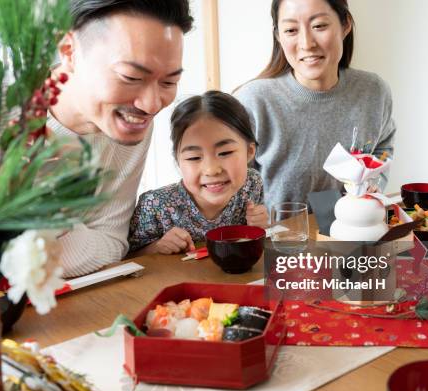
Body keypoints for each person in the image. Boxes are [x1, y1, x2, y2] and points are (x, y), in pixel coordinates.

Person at [0, 0, 194, 278]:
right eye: (131, 77)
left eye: (169, 81)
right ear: (69, 51)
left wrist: (27, 227)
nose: (151, 103)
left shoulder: (129, 124)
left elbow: (111, 243)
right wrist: (61, 230)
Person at [235, 0, 395, 211]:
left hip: (351, 235)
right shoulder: (253, 101)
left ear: (345, 25)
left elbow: (382, 150)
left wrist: (371, 185)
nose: (307, 43)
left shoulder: (373, 91)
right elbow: (230, 183)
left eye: (319, 26)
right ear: (278, 36)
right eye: (291, 30)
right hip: (280, 241)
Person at [128, 91, 269, 255]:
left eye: (225, 153)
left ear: (250, 151)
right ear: (178, 161)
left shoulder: (251, 184)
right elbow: (127, 259)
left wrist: (260, 225)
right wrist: (158, 247)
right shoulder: (154, 206)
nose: (211, 169)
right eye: (194, 157)